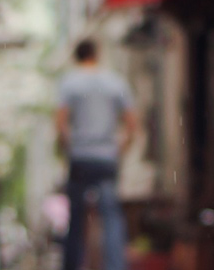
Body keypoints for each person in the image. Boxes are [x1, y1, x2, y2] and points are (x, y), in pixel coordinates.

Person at [55, 39, 137, 270]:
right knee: (111, 218)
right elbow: (132, 123)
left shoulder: (69, 83)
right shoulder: (114, 82)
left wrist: (69, 148)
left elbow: (60, 124)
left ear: (77, 57)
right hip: (107, 158)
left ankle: (71, 266)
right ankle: (115, 266)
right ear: (97, 54)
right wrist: (119, 149)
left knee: (76, 218)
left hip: (80, 156)